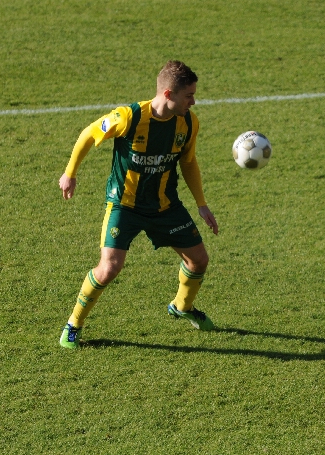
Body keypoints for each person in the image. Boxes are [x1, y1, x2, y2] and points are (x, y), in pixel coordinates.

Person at [57, 60, 219, 348]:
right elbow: (89, 134)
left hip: (165, 206)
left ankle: (181, 307)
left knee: (199, 260)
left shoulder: (189, 123)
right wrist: (70, 173)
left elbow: (188, 161)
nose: (193, 102)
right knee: (109, 269)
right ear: (168, 94)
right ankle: (74, 323)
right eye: (189, 96)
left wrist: (202, 204)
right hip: (124, 206)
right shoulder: (128, 117)